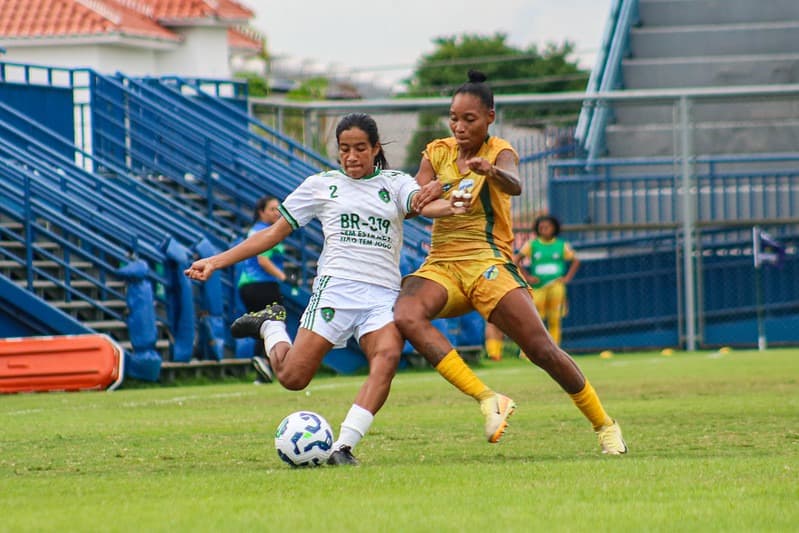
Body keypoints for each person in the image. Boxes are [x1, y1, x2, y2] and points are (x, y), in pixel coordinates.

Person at [184, 113, 477, 466]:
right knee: (292, 378)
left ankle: (343, 447)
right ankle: (271, 325)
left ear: (375, 148)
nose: (352, 157)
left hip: (381, 296)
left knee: (387, 358)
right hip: (335, 291)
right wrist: (216, 262)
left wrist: (454, 205)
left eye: (360, 148)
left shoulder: (396, 183)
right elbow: (272, 233)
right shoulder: (320, 185)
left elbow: (423, 205)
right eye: (344, 149)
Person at [395, 70, 627, 455]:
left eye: (469, 119)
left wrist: (490, 171)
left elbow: (514, 183)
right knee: (405, 314)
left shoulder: (499, 150)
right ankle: (489, 399)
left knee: (541, 350)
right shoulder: (436, 151)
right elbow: (414, 202)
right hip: (442, 264)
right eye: (454, 118)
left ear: (490, 117)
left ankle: (605, 425)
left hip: (488, 262)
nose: (459, 126)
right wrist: (430, 190)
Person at [237, 195, 287, 382]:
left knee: (263, 326)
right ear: (261, 212)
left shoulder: (256, 230)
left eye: (278, 209)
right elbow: (263, 260)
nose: (277, 213)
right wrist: (283, 277)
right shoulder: (265, 231)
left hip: (248, 285)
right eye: (272, 209)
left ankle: (262, 372)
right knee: (273, 324)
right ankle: (264, 361)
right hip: (262, 285)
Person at [516, 214, 580, 347]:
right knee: (534, 318)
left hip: (556, 285)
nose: (544, 230)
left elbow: (576, 261)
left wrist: (567, 278)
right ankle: (530, 349)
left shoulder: (561, 245)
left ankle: (554, 349)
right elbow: (516, 260)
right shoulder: (532, 244)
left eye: (547, 227)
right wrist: (527, 277)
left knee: (555, 318)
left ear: (554, 228)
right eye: (541, 227)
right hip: (538, 287)